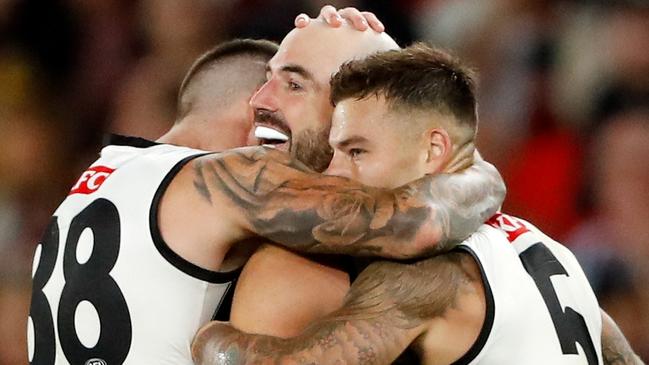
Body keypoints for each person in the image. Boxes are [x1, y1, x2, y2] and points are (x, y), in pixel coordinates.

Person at [27, 28, 505, 365]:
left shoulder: (96, 184)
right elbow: (412, 222)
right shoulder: (228, 180)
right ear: (254, 113)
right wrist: (474, 166)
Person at [192, 44, 644, 365]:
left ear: (432, 150)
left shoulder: (424, 274)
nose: (334, 173)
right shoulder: (550, 252)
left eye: (357, 152)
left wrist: (211, 339)